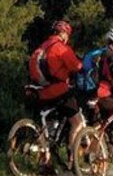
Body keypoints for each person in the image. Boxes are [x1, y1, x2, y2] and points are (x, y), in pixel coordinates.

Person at [30, 19, 84, 168]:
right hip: (58, 91)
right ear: (65, 34)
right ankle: (72, 158)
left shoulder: (42, 47)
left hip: (41, 91)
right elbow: (76, 66)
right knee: (77, 121)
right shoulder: (61, 48)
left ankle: (45, 162)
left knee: (47, 127)